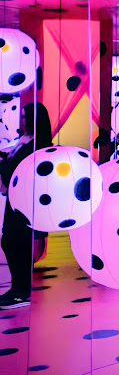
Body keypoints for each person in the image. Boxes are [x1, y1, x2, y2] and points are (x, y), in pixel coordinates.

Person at [0, 102, 52, 309]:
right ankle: (18, 289)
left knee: (15, 242)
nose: (20, 120)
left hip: (25, 201)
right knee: (10, 242)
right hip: (15, 199)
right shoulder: (24, 140)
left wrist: (4, 162)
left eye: (23, 116)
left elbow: (22, 170)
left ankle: (21, 291)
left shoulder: (36, 145)